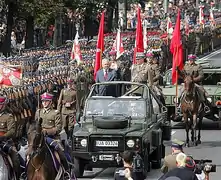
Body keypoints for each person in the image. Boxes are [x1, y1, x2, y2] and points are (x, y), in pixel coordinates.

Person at [35, 92, 69, 171]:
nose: (44, 103)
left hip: (52, 138)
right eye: (43, 101)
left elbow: (58, 128)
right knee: (29, 152)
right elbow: (35, 125)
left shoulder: (55, 113)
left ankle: (67, 171)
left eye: (46, 101)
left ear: (50, 102)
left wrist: (46, 131)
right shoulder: (38, 112)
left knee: (61, 153)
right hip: (40, 138)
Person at [0, 95, 21, 179]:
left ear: (4, 105)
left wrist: (3, 137)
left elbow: (12, 131)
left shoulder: (8, 116)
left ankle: (18, 176)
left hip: (5, 141)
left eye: (0, 104)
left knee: (15, 157)